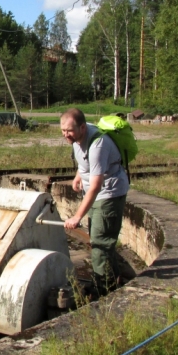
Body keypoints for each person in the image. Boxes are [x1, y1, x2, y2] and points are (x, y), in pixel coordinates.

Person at [60, 108, 129, 295]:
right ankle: (116, 280)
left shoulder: (98, 144)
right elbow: (85, 161)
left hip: (109, 194)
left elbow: (97, 185)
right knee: (102, 240)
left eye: (69, 131)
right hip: (97, 193)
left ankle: (104, 290)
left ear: (82, 127)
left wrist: (77, 216)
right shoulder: (79, 135)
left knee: (100, 243)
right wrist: (79, 175)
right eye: (63, 131)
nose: (66, 135)